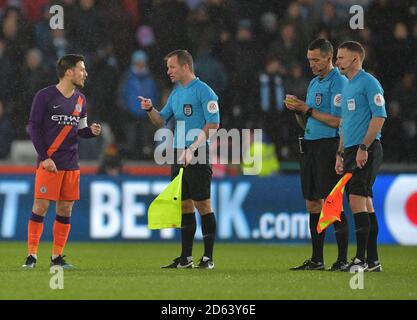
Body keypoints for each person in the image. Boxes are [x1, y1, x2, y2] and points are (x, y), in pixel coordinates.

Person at [138, 49, 219, 269]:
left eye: (172, 67)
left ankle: (208, 258)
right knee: (184, 205)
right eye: (168, 68)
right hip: (177, 152)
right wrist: (150, 109)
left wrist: (192, 148)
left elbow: (213, 125)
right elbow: (160, 121)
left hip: (198, 152)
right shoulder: (176, 94)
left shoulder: (205, 91)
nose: (169, 71)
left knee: (203, 204)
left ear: (185, 67)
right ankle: (186, 258)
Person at [22, 54, 101, 269]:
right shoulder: (45, 96)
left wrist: (90, 132)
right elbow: (33, 127)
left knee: (65, 210)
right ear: (69, 72)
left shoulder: (81, 100)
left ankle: (56, 258)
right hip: (49, 163)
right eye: (81, 69)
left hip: (71, 164)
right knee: (41, 206)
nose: (85, 73)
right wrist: (45, 158)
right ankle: (31, 257)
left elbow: (80, 130)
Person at [284, 39, 349, 271]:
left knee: (332, 202)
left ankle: (342, 260)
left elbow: (339, 120)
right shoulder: (313, 83)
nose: (311, 64)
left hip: (329, 146)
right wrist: (298, 111)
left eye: (316, 60)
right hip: (310, 145)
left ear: (329, 58)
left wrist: (307, 109)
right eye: (309, 60)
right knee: (312, 203)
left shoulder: (339, 82)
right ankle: (317, 259)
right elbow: (308, 119)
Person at [335, 41, 386, 272]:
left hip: (367, 149)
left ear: (355, 59)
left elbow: (379, 117)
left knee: (356, 199)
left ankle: (360, 260)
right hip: (351, 151)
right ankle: (373, 261)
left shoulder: (369, 83)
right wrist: (340, 152)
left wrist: (364, 148)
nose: (337, 62)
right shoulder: (347, 86)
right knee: (364, 202)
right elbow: (345, 123)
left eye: (341, 58)